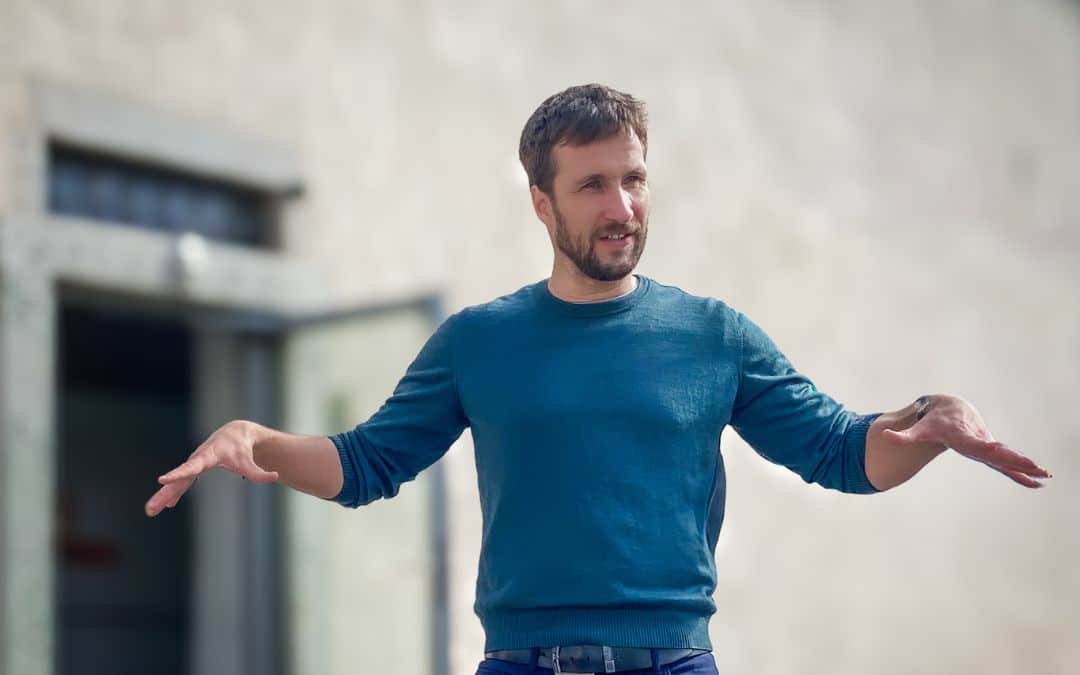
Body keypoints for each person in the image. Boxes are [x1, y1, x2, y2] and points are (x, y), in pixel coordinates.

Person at [146, 84, 1052, 675]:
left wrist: (930, 418)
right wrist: (256, 439)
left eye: (634, 180)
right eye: (591, 187)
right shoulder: (479, 340)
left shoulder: (712, 334)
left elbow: (844, 453)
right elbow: (367, 463)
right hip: (521, 661)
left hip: (675, 663)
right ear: (541, 202)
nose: (621, 208)